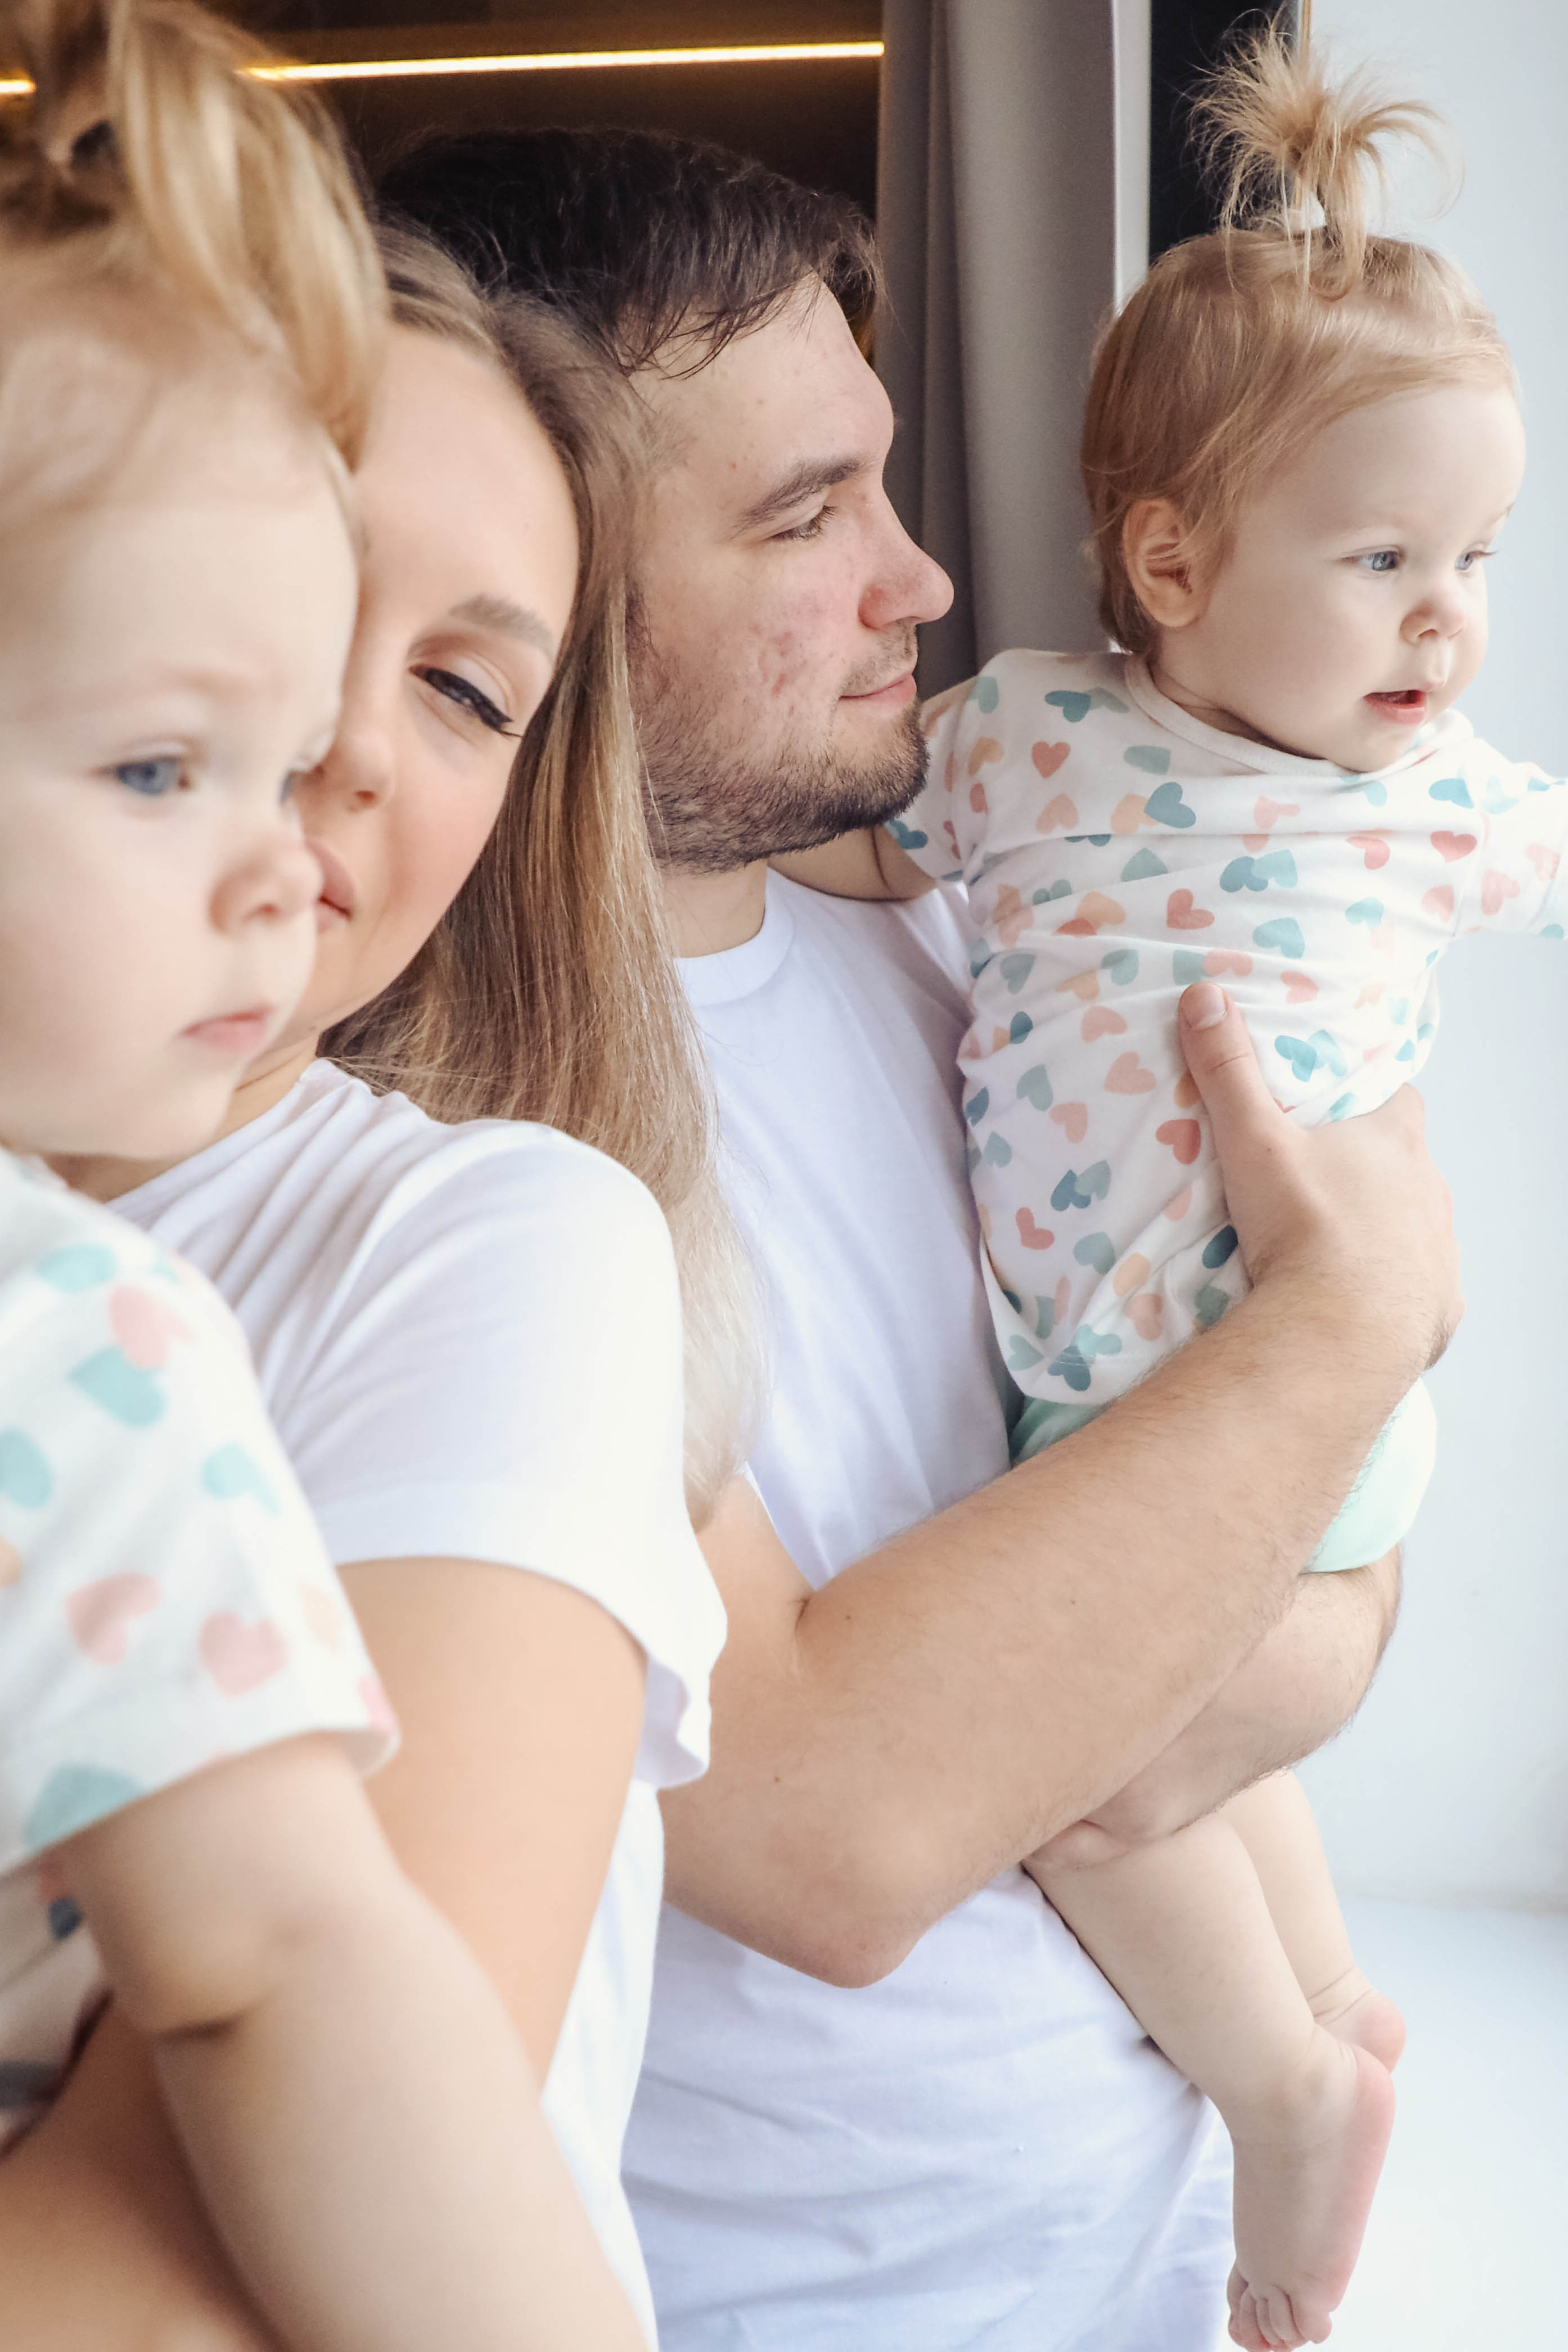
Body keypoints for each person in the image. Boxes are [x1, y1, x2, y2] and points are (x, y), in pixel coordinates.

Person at [382, 126, 1461, 2350]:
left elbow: (1332, 1615)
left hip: (1160, 2260)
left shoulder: (990, 923)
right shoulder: (444, 1121)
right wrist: (1356, 1315)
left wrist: (1248, 1564)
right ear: (544, 575)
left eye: (879, 483)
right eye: (804, 518)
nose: (927, 580)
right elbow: (836, 1832)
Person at [777, 36, 1553, 2350]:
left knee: (1094, 1804)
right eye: (1388, 557)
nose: (1449, 622)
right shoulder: (1024, 729)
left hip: (1268, 1389)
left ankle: (1284, 2097)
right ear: (1171, 556)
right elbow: (862, 846)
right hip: (1094, 1408)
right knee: (1164, 1784)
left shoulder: (1437, 802)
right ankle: (1325, 2005)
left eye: (1480, 559)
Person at [0, 145, 741, 2352]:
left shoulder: (192, 1330)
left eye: (462, 689)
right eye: (283, 604)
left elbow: (288, 2054)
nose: (322, 756)